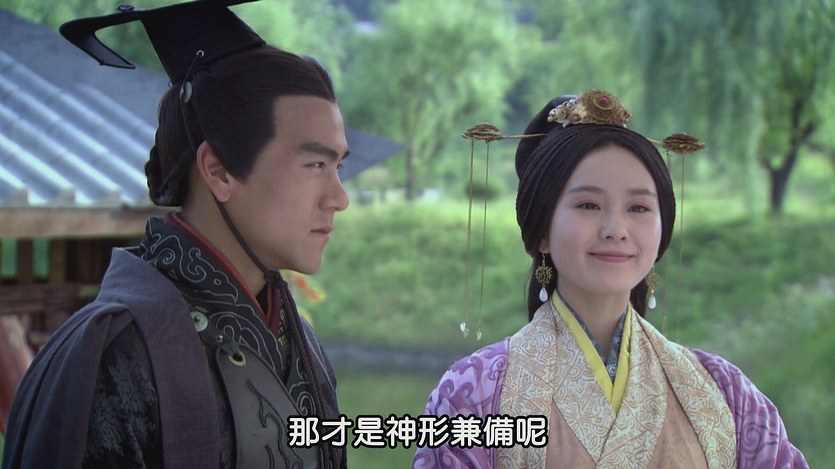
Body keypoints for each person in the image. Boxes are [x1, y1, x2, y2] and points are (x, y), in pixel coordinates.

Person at [3, 1, 349, 467]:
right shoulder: (110, 354)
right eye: (316, 164)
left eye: (337, 166)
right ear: (219, 170)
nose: (339, 198)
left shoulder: (300, 342)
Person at [412, 89, 808, 468]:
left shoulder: (725, 394)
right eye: (589, 205)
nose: (615, 229)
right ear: (543, 232)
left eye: (638, 208)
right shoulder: (475, 393)